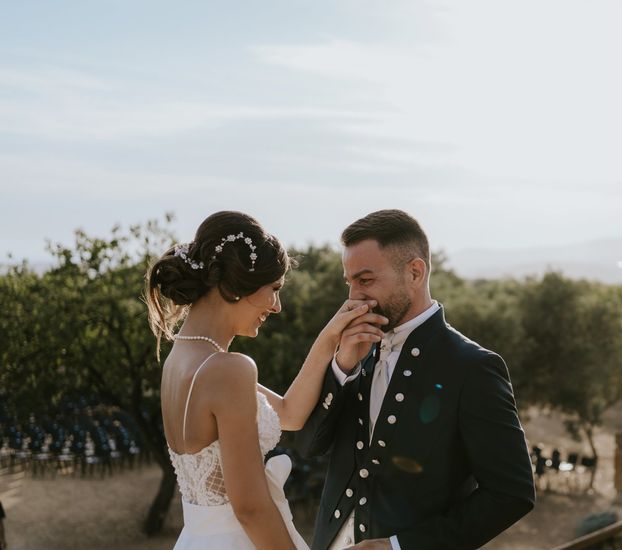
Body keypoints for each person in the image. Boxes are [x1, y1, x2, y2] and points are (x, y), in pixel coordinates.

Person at [146, 211, 387, 549]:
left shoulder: (181, 360)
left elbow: (289, 413)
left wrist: (328, 340)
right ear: (235, 286)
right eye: (274, 289)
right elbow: (251, 508)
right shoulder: (229, 369)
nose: (276, 306)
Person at [297, 209, 536, 550]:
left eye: (365, 280)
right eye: (348, 282)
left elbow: (512, 494)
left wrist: (399, 547)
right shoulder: (353, 352)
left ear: (415, 272)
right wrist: (342, 368)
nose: (353, 297)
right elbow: (308, 446)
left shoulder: (473, 368)